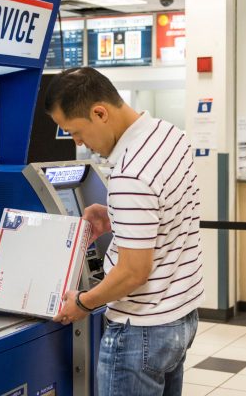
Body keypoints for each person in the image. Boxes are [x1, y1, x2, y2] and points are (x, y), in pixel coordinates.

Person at [45, 67, 204, 396]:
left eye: (75, 131)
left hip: (140, 332)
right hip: (180, 317)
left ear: (99, 112)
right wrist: (115, 217)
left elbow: (134, 272)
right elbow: (169, 215)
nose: (77, 142)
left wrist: (84, 303)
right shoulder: (169, 135)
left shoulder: (130, 173)